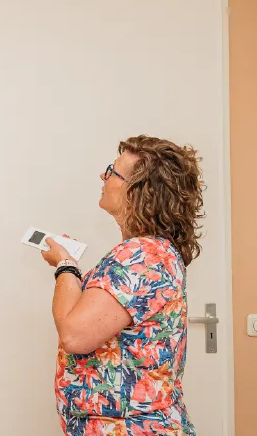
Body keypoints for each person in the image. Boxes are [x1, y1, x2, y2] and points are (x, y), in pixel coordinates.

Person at [42, 135, 203, 436]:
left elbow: (75, 335)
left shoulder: (141, 255)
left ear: (140, 192)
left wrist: (65, 266)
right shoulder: (153, 252)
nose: (103, 176)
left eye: (113, 171)